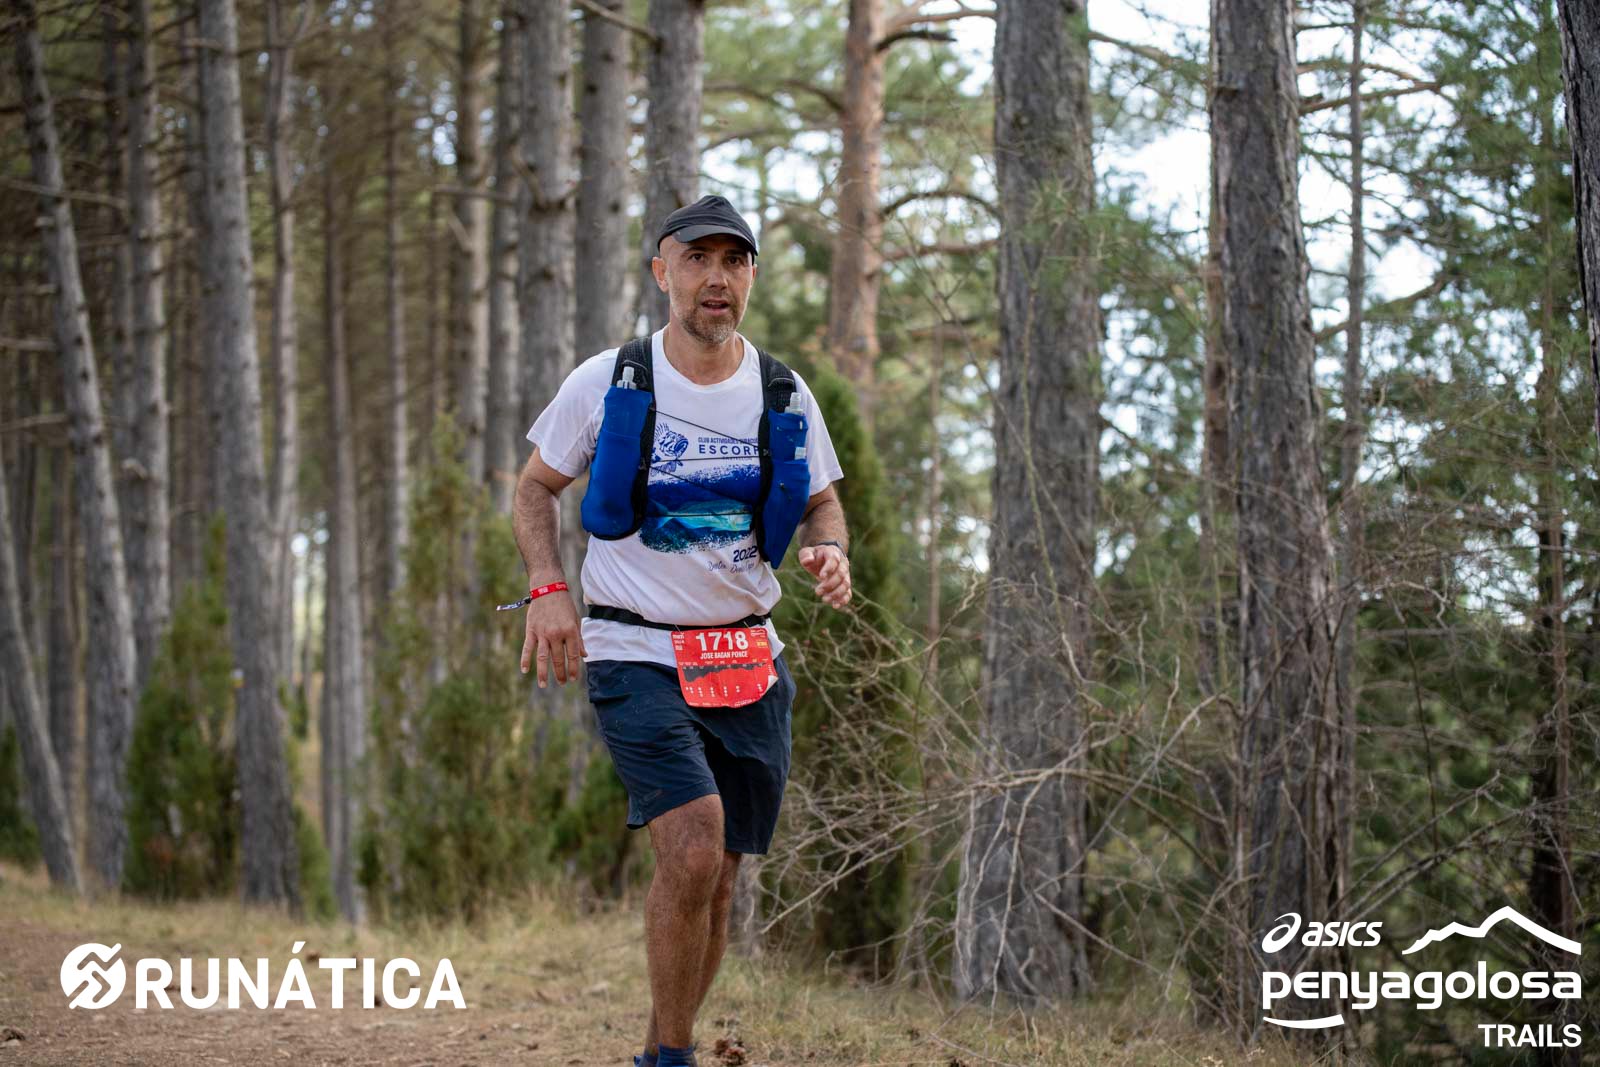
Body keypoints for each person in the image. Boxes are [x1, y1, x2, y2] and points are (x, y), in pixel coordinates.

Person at [512, 194, 852, 1067]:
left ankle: (663, 1046)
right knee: (695, 846)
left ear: (750, 277)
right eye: (697, 259)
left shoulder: (783, 391)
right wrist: (548, 589)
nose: (716, 278)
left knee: (724, 873)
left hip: (746, 653)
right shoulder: (609, 380)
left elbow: (823, 501)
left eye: (733, 261)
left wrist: (831, 548)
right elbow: (535, 487)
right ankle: (672, 1060)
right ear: (663, 271)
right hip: (634, 646)